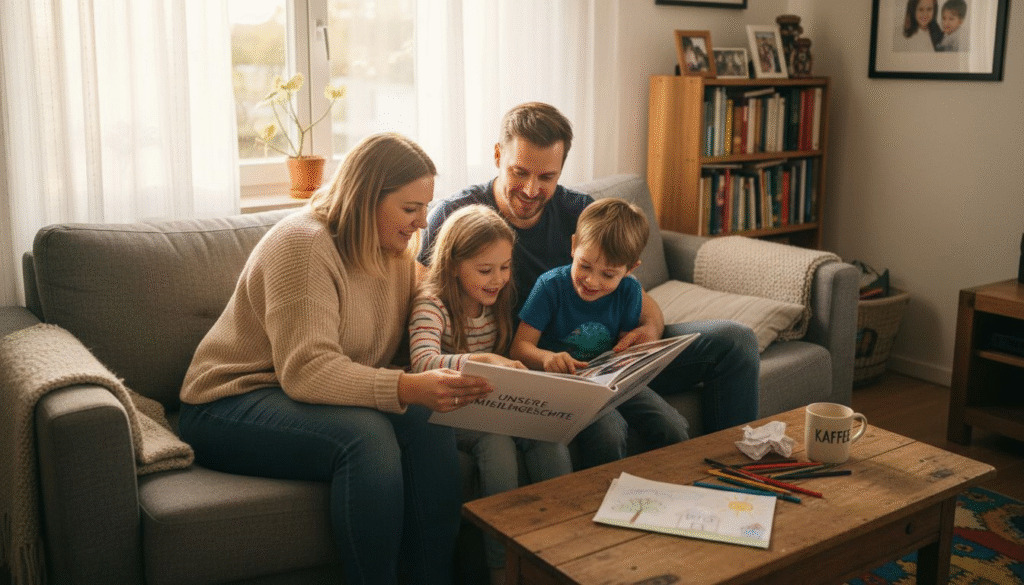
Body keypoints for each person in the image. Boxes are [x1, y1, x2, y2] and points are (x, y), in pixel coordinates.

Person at [179, 132, 493, 585]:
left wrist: (479, 363)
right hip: (228, 402)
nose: (423, 222)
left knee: (427, 420)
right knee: (366, 437)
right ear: (366, 198)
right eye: (410, 208)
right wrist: (406, 386)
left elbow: (428, 317)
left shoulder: (394, 252)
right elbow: (308, 371)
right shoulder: (303, 245)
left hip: (301, 397)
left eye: (425, 207)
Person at [417, 102, 759, 450]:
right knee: (608, 430)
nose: (531, 190)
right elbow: (422, 303)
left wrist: (649, 331)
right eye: (519, 172)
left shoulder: (578, 211)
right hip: (538, 364)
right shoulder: (458, 216)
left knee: (736, 341)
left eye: (547, 177)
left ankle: (735, 470)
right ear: (496, 156)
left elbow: (636, 297)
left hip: (607, 358)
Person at [408, 204, 572, 585]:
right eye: (485, 270)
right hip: (451, 409)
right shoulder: (432, 303)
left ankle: (560, 549)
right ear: (453, 265)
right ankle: (501, 569)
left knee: (549, 438)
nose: (498, 279)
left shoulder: (498, 300)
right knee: (497, 448)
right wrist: (480, 360)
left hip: (494, 404)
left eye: (505, 267)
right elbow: (421, 363)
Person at [509, 198, 690, 467]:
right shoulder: (550, 287)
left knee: (672, 425)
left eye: (608, 275)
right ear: (573, 246)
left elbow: (625, 348)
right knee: (609, 433)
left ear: (630, 269)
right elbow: (519, 348)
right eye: (584, 266)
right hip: (564, 384)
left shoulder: (629, 291)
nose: (592, 281)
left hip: (612, 380)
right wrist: (547, 358)